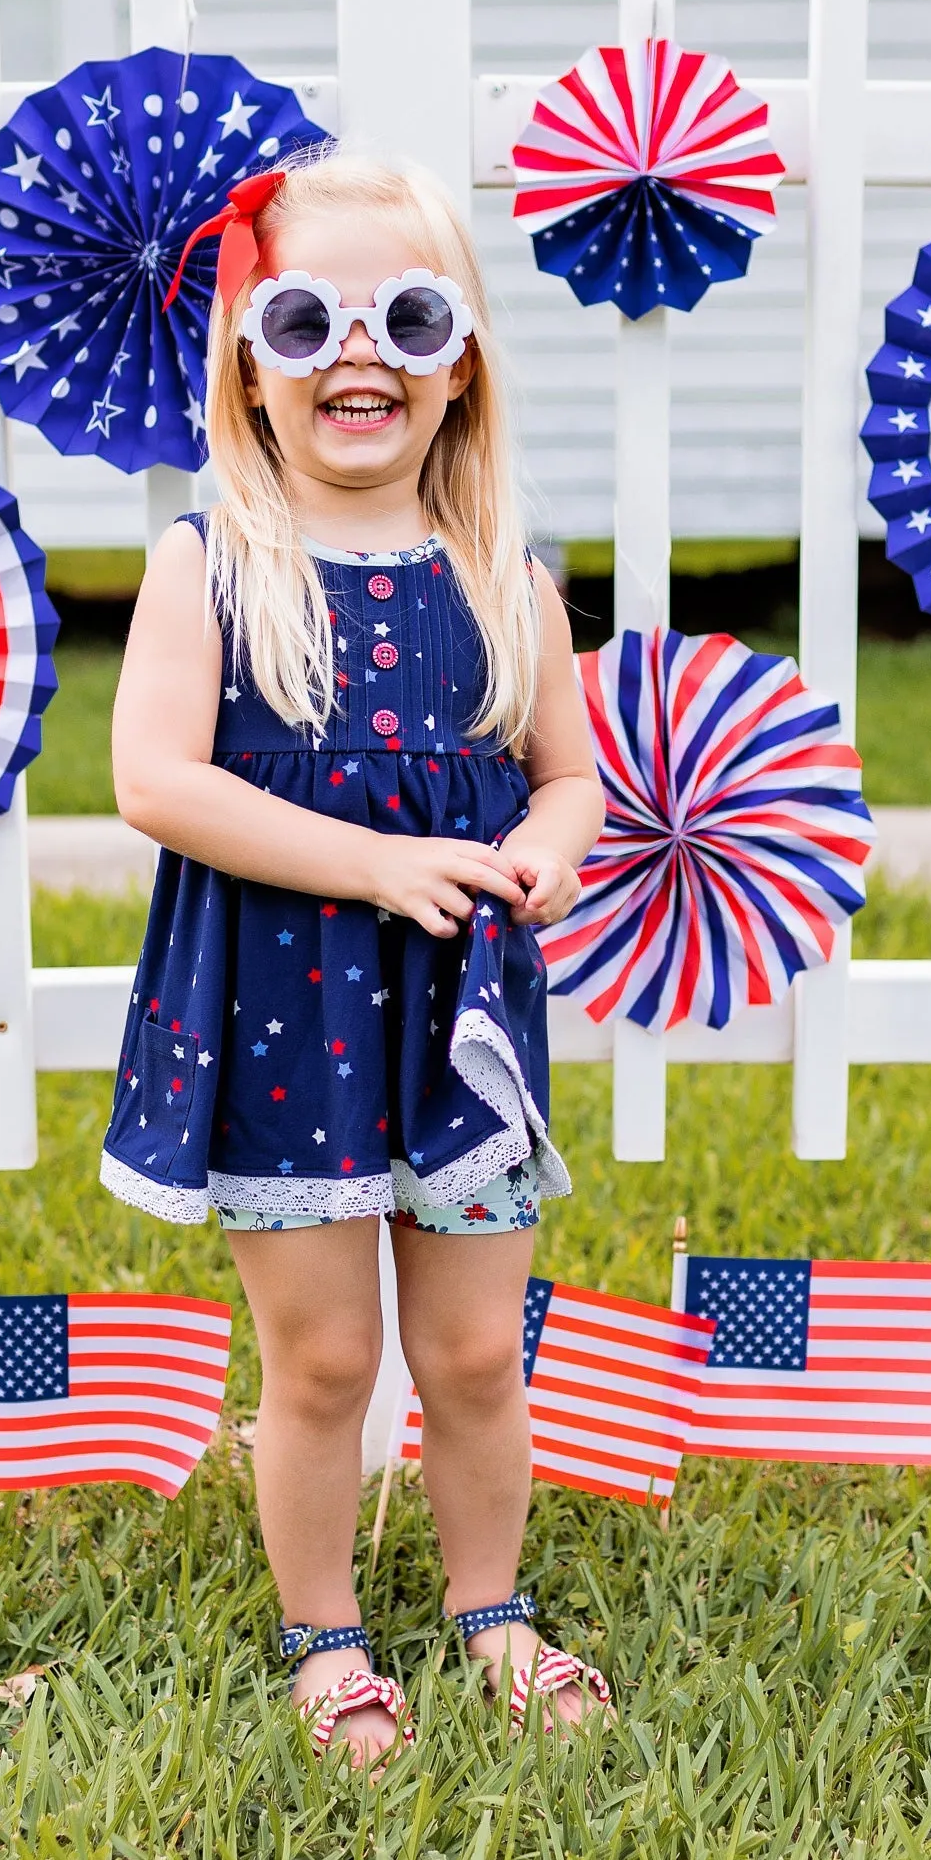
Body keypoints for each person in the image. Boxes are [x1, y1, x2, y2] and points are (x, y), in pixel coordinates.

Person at [104, 148, 609, 1761]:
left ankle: (494, 1610)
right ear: (250, 361)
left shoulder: (504, 578)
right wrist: (378, 863)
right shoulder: (213, 565)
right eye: (307, 317)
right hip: (281, 1021)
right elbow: (156, 782)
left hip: (460, 1023)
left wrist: (544, 847)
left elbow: (569, 775)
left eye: (407, 315)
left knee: (472, 1348)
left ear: (461, 362)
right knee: (324, 1357)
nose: (359, 355)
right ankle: (324, 1632)